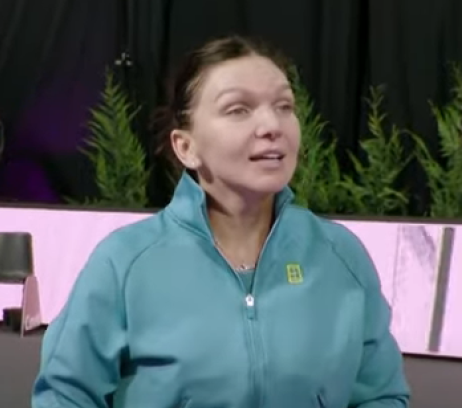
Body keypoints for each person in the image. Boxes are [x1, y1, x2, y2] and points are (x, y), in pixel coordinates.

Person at [31, 35, 410, 408]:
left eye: (284, 106)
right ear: (186, 147)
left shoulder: (340, 257)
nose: (272, 125)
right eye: (238, 109)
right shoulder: (125, 263)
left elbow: (382, 396)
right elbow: (64, 396)